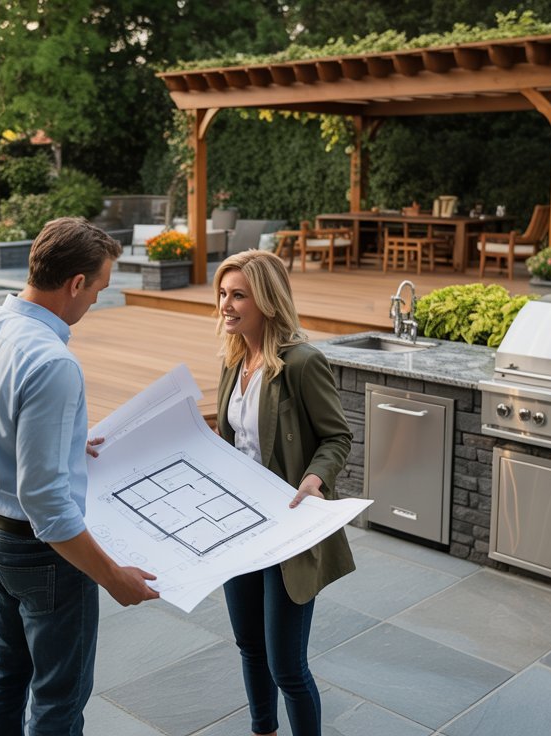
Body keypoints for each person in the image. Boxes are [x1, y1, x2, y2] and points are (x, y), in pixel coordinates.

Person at [0, 217, 159, 736]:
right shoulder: (53, 362)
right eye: (99, 289)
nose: (94, 302)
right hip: (42, 555)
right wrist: (113, 577)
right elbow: (46, 502)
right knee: (59, 698)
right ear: (75, 284)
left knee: (5, 672)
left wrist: (64, 444)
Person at [213, 249, 354, 736]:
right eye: (223, 295)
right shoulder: (235, 361)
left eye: (238, 295)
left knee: (287, 666)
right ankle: (263, 730)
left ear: (268, 301)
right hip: (239, 526)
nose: (225, 306)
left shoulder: (302, 363)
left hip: (287, 528)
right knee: (249, 646)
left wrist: (315, 478)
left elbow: (338, 436)